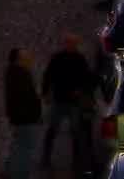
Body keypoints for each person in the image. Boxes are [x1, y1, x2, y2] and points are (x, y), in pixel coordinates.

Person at [39, 33, 96, 172]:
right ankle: (46, 158)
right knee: (53, 129)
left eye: (73, 43)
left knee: (74, 132)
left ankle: (75, 161)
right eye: (69, 43)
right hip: (60, 100)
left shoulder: (79, 59)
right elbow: (48, 75)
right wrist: (45, 93)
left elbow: (87, 79)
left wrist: (81, 91)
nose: (70, 45)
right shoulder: (59, 58)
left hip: (72, 101)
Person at [4, 47, 43, 179]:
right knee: (25, 148)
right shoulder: (22, 74)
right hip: (26, 118)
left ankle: (10, 171)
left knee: (18, 145)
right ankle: (20, 174)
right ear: (18, 60)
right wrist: (37, 114)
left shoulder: (12, 73)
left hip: (18, 117)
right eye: (25, 58)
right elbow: (29, 98)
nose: (29, 59)